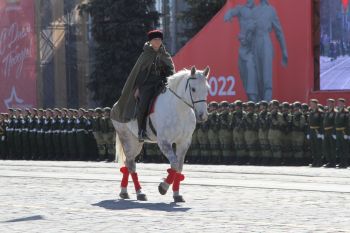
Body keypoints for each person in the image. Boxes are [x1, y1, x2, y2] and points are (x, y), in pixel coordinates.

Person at [111, 30, 175, 142]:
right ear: (150, 41)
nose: (158, 41)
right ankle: (141, 130)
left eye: (159, 39)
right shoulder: (145, 55)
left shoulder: (165, 54)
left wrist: (169, 76)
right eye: (155, 39)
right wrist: (137, 88)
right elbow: (138, 73)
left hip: (163, 82)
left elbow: (171, 69)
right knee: (144, 104)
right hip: (147, 84)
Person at [252, 0, 288, 101]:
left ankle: (266, 105)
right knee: (258, 78)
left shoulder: (271, 10)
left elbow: (279, 32)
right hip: (255, 43)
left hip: (265, 41)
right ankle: (259, 105)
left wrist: (284, 50)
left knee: (266, 76)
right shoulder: (254, 11)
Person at [224, 0, 258, 101]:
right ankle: (250, 98)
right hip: (243, 48)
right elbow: (231, 12)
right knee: (242, 71)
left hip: (253, 48)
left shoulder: (258, 12)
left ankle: (253, 98)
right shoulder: (241, 9)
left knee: (250, 68)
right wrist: (228, 15)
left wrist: (249, 33)